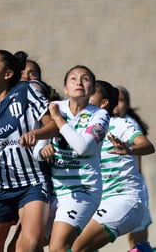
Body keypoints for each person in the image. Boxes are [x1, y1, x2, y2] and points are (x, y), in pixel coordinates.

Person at [0, 49, 58, 252]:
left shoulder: (26, 91)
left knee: (26, 247)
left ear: (8, 74)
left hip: (33, 181)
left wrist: (37, 135)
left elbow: (54, 125)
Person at [71, 80, 155, 251]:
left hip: (123, 199)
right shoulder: (79, 127)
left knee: (76, 246)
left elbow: (148, 146)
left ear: (104, 103)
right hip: (96, 201)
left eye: (91, 92)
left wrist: (128, 149)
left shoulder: (119, 124)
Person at [37, 65, 110, 252]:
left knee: (58, 247)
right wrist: (42, 151)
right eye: (73, 78)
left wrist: (58, 120)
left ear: (92, 90)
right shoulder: (55, 108)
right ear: (65, 88)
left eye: (85, 79)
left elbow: (83, 147)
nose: (79, 82)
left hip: (83, 190)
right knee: (27, 244)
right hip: (52, 191)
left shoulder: (100, 115)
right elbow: (38, 147)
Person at [6, 57, 62, 252]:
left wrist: (48, 149)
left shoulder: (54, 112)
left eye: (32, 74)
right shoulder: (8, 113)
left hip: (49, 189)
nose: (27, 79)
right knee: (18, 247)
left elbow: (57, 138)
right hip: (15, 185)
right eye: (22, 75)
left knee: (30, 244)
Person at [114, 86, 154, 252]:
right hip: (112, 186)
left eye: (121, 100)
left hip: (131, 186)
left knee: (138, 240)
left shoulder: (128, 124)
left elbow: (138, 161)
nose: (117, 104)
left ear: (127, 105)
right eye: (114, 99)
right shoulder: (102, 121)